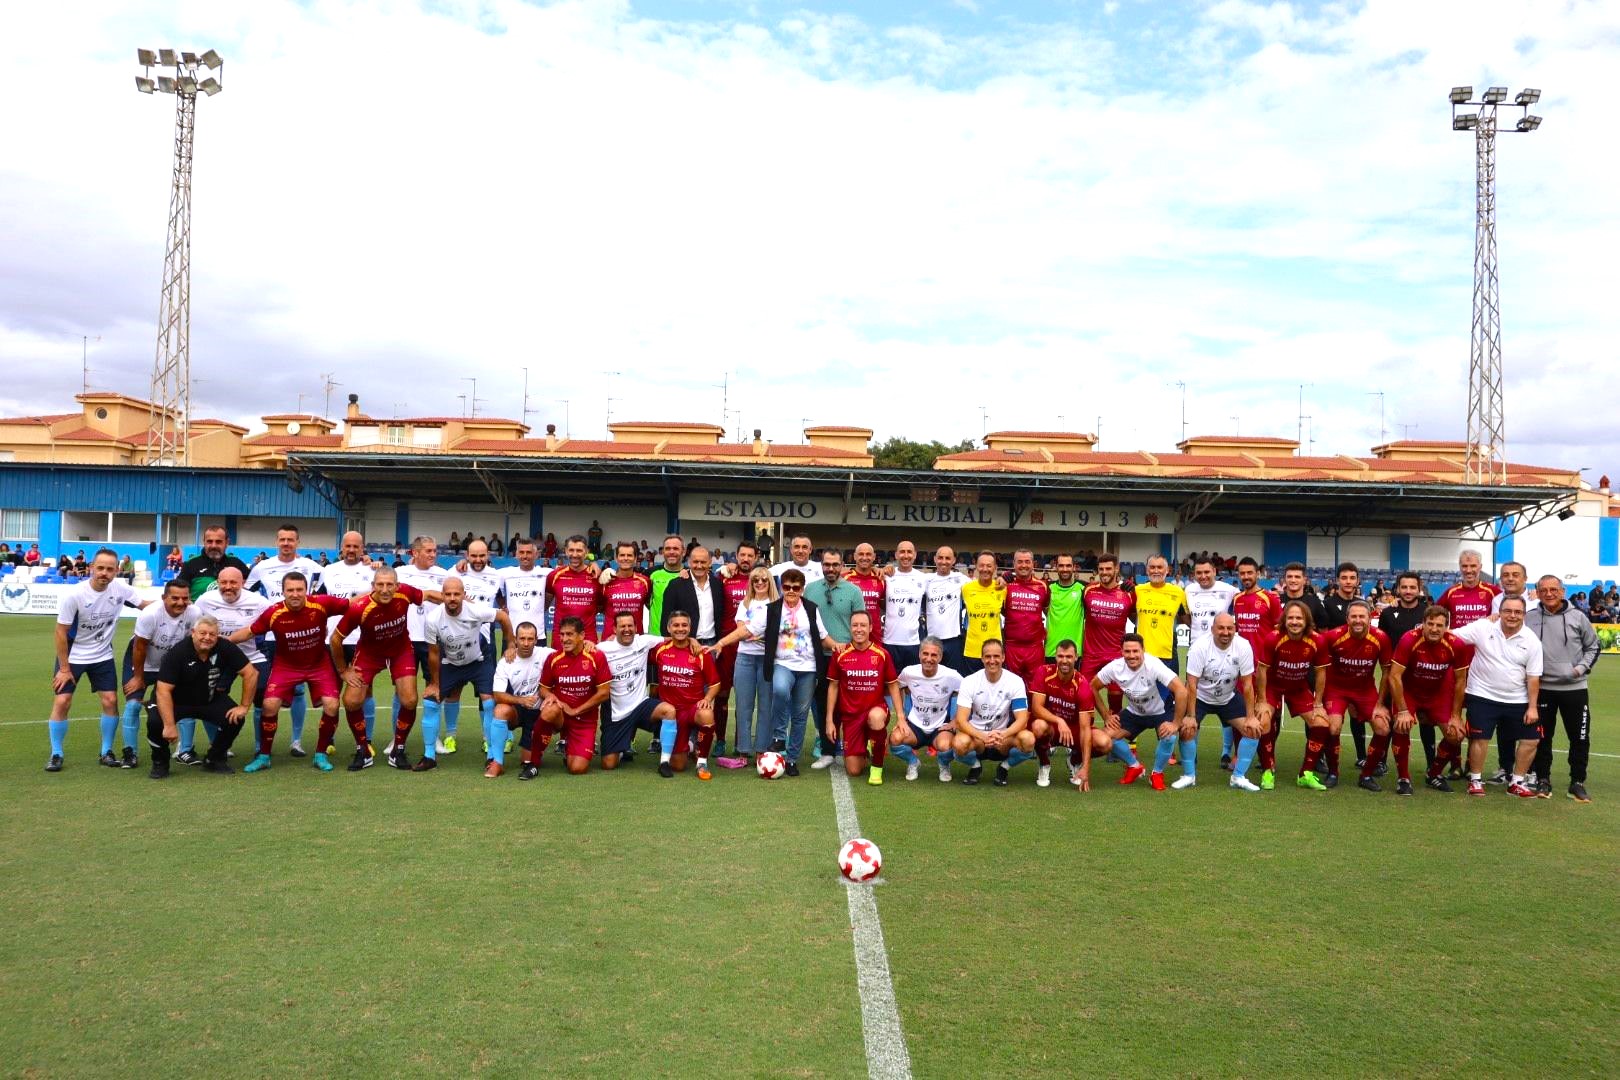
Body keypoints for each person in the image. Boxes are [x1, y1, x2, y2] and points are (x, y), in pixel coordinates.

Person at [230, 571, 349, 774]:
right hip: (286, 666)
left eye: (299, 589)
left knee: (332, 704)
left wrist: (377, 593)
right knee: (269, 705)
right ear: (283, 592)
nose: (295, 594)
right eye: (290, 590)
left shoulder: (320, 603)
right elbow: (250, 631)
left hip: (319, 664)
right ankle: (264, 756)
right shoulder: (274, 612)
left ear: (306, 591)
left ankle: (320, 754)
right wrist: (222, 642)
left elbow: (351, 604)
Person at [48, 548, 151, 771]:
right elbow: (60, 632)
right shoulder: (74, 594)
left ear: (116, 571)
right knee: (62, 702)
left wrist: (176, 603)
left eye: (110, 569)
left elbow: (145, 605)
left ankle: (106, 751)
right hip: (72, 657)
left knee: (110, 701)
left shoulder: (120, 589)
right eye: (100, 568)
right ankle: (56, 753)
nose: (104, 573)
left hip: (102, 655)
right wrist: (64, 668)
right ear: (92, 568)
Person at [331, 567, 443, 771]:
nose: (385, 589)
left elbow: (428, 595)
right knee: (351, 700)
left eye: (389, 584)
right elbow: (335, 639)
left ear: (397, 586)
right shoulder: (360, 608)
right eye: (380, 585)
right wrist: (343, 670)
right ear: (373, 586)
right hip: (369, 654)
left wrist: (457, 601)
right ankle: (363, 751)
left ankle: (398, 750)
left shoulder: (405, 593)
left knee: (409, 700)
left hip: (400, 651)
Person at [415, 577, 515, 775]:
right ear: (442, 596)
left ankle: (493, 756)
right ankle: (429, 757)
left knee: (489, 703)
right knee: (430, 702)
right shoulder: (433, 619)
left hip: (479, 661)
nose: (452, 598)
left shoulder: (476, 610)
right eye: (448, 594)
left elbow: (503, 617)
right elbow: (433, 653)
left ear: (463, 595)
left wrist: (510, 644)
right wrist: (434, 683)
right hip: (451, 663)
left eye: (456, 594)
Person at [1452, 595, 1543, 797]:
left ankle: (1517, 782)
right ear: (1499, 612)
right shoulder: (1483, 627)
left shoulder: (1532, 641)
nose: (1512, 616)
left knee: (1531, 740)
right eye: (1507, 611)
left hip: (1518, 699)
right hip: (1482, 694)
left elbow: (1533, 677)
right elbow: (1451, 637)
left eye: (1518, 612)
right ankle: (1475, 780)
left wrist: (1532, 707)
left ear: (1524, 614)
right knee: (1480, 738)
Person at [147, 616, 257, 778]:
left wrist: (244, 706)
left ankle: (214, 759)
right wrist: (169, 725)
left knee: (235, 717)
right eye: (202, 633)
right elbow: (163, 690)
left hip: (208, 698)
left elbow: (251, 673)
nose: (207, 638)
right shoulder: (178, 652)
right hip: (175, 702)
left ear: (217, 636)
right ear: (193, 633)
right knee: (156, 722)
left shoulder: (225, 647)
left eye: (212, 634)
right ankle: (160, 763)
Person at [1525, 576, 1597, 801]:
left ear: (1563, 591)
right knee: (1543, 737)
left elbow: (1593, 646)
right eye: (1543, 590)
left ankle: (1577, 781)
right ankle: (1543, 779)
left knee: (1580, 737)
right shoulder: (1529, 618)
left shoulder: (1578, 617)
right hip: (1543, 688)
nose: (1549, 594)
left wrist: (1579, 670)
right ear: (1537, 592)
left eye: (1553, 589)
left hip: (1574, 689)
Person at [1091, 633, 1193, 790]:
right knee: (1105, 737)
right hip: (1135, 712)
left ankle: (1157, 774)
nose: (1132, 655)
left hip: (1160, 711)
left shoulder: (1153, 665)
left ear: (1143, 650)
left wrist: (1175, 723)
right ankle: (1134, 766)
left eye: (1135, 651)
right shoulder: (1115, 667)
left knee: (1169, 737)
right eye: (1127, 651)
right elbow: (1093, 687)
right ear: (1121, 651)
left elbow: (1181, 690)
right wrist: (1105, 715)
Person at [760, 568, 836, 775]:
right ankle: (779, 737)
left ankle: (792, 759)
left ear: (802, 589)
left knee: (801, 715)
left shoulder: (811, 608)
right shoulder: (773, 609)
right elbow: (749, 629)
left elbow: (823, 636)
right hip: (783, 664)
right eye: (787, 587)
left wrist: (839, 646)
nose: (791, 591)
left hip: (809, 668)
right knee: (780, 691)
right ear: (781, 587)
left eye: (796, 587)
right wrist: (723, 641)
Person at [522, 616, 613, 780]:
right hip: (561, 715)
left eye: (569, 634)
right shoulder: (554, 658)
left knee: (577, 768)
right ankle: (533, 764)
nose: (564, 639)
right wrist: (550, 696)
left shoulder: (596, 657)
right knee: (549, 709)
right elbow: (543, 689)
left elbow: (604, 693)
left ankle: (569, 747)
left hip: (584, 720)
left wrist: (576, 710)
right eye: (562, 635)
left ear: (582, 635)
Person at [120, 580, 198, 768]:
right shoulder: (150, 614)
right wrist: (138, 678)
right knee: (132, 706)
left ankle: (185, 750)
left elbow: (192, 644)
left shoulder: (194, 613)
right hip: (142, 662)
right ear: (164, 598)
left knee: (185, 703)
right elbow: (139, 648)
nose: (180, 602)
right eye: (175, 598)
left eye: (185, 598)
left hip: (171, 664)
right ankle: (130, 752)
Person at [1316, 599, 1393, 789]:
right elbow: (1321, 669)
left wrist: (1380, 704)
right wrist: (1319, 699)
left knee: (1383, 728)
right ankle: (1333, 772)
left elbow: (1386, 672)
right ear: (1347, 618)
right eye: (1354, 617)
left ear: (1370, 617)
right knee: (1333, 728)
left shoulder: (1381, 638)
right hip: (1337, 689)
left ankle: (1366, 776)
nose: (1358, 620)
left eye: (1362, 616)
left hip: (1365, 690)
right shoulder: (1333, 637)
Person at [1254, 599, 1327, 791]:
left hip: (1298, 688)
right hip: (1272, 686)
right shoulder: (1273, 638)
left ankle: (1306, 774)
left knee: (1321, 723)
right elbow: (1261, 670)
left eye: (1299, 618)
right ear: (1284, 619)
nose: (1295, 622)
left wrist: (1318, 703)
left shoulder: (1317, 640)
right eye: (1291, 618)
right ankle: (1268, 771)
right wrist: (1261, 701)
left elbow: (1321, 672)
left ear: (1307, 620)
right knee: (1263, 720)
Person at [1184, 614, 1263, 791]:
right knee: (1187, 729)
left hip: (1228, 697)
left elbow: (1248, 684)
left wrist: (1250, 716)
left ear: (1235, 629)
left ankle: (1238, 776)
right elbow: (1191, 684)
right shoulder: (1199, 647)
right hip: (1201, 697)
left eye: (1230, 628)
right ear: (1212, 629)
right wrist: (1190, 716)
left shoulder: (1243, 645)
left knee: (1254, 729)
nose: (1225, 632)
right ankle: (1189, 775)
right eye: (1221, 628)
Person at [825, 612, 904, 786]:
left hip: (876, 710)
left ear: (870, 628)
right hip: (851, 717)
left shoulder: (882, 654)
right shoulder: (840, 654)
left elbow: (893, 685)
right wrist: (830, 720)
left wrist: (900, 717)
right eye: (855, 625)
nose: (858, 629)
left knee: (875, 718)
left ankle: (877, 768)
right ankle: (870, 746)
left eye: (862, 625)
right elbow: (833, 686)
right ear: (850, 628)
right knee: (854, 771)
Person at [802, 549, 863, 768]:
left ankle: (854, 747)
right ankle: (828, 751)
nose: (831, 568)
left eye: (835, 564)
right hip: (819, 656)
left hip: (847, 657)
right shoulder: (810, 590)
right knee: (822, 703)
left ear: (842, 565)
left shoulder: (853, 591)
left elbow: (860, 624)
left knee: (849, 705)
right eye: (827, 564)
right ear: (821, 565)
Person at [320, 531, 379, 739]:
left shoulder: (372, 570)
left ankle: (367, 738)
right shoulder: (328, 570)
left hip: (362, 641)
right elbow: (320, 603)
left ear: (362, 548)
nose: (352, 550)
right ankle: (329, 739)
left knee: (366, 691)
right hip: (333, 641)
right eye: (348, 546)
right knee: (332, 693)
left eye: (356, 546)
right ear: (342, 548)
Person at [950, 639, 1032, 786]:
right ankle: (975, 766)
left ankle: (1004, 767)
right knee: (958, 743)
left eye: (996, 656)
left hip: (1002, 738)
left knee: (1028, 740)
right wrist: (983, 736)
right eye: (987, 656)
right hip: (978, 737)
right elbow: (960, 720)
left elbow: (1022, 719)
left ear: (1003, 657)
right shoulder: (969, 681)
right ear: (982, 658)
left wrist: (1003, 734)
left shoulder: (1015, 681)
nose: (992, 661)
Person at [1029, 639, 1104, 790]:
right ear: (1055, 656)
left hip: (1073, 730)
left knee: (1104, 743)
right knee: (1038, 726)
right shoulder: (1043, 672)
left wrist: (1086, 769)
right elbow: (1036, 708)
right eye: (1060, 656)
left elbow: (1085, 728)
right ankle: (1044, 764)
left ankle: (1075, 761)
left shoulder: (1083, 686)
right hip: (1051, 727)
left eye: (1069, 657)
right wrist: (1059, 721)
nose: (1064, 660)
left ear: (1076, 657)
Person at [714, 544, 765, 767]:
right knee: (723, 694)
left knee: (753, 700)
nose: (745, 559)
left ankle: (742, 745)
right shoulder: (724, 577)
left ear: (757, 557)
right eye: (742, 555)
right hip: (729, 645)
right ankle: (721, 740)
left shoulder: (765, 579)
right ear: (736, 556)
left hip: (758, 648)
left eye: (750, 555)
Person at [596, 612, 663, 771]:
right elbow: (585, 652)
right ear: (614, 629)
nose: (627, 629)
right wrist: (586, 643)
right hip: (616, 714)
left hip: (641, 706)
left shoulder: (644, 641)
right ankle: (620, 749)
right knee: (608, 764)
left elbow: (671, 639)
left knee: (669, 711)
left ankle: (666, 760)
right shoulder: (603, 649)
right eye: (622, 626)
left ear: (636, 627)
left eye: (630, 626)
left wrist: (692, 640)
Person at [890, 637, 962, 783]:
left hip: (940, 727)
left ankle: (944, 764)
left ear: (940, 657)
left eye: (934, 655)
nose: (929, 658)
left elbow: (968, 693)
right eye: (925, 654)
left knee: (947, 746)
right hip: (915, 726)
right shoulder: (909, 672)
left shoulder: (951, 675)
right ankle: (912, 762)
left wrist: (956, 720)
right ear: (919, 654)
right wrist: (901, 717)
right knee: (895, 739)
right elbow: (895, 687)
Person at [490, 621, 554, 776]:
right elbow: (497, 695)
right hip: (519, 709)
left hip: (538, 711)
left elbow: (570, 651)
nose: (526, 643)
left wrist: (586, 643)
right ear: (515, 639)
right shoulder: (506, 661)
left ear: (536, 639)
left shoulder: (546, 653)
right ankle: (497, 762)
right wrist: (521, 701)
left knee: (527, 761)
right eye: (522, 638)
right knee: (500, 710)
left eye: (530, 639)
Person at [1079, 553, 1135, 710]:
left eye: (1108, 568)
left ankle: (1115, 732)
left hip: (1116, 656)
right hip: (1091, 656)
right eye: (1101, 569)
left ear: (1116, 569)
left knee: (1116, 701)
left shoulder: (1128, 593)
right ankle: (1087, 731)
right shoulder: (1088, 590)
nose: (1104, 572)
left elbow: (1137, 616)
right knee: (1085, 697)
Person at [1000, 548, 1049, 685]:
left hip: (1035, 647)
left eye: (1027, 562)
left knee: (1035, 688)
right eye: (1020, 562)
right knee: (1011, 687)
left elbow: (1046, 610)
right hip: (1012, 647)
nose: (1023, 565)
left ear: (1033, 564)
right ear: (1014, 564)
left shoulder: (1043, 586)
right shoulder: (1006, 585)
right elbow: (1002, 610)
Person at [881, 540, 929, 672]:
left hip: (913, 643)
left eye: (909, 552)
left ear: (915, 555)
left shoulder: (923, 578)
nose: (906, 555)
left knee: (911, 685)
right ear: (896, 555)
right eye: (902, 552)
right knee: (890, 684)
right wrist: (881, 569)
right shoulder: (886, 576)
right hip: (890, 641)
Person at [497, 537, 551, 649]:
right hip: (512, 636)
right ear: (516, 554)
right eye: (521, 552)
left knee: (539, 667)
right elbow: (483, 575)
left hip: (538, 636)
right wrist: (503, 606)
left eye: (529, 552)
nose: (525, 556)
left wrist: (593, 564)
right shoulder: (505, 573)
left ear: (536, 555)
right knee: (509, 665)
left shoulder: (547, 573)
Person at [960, 552, 1006, 678]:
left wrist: (1005, 577)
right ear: (976, 566)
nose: (985, 569)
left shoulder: (1002, 588)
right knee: (973, 691)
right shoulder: (966, 588)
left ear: (995, 568)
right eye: (981, 565)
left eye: (989, 566)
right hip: (972, 650)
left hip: (994, 651)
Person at [923, 545, 969, 671]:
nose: (944, 561)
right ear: (935, 559)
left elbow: (981, 585)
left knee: (953, 679)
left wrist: (1002, 579)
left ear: (954, 560)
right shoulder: (925, 579)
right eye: (940, 558)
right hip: (932, 640)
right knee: (931, 677)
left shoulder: (961, 579)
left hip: (953, 640)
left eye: (948, 558)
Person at [1437, 549, 1502, 628]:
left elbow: (1507, 612)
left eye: (1473, 566)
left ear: (1480, 567)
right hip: (1457, 639)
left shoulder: (1493, 591)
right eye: (1464, 566)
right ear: (1460, 567)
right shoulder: (1451, 592)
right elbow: (1434, 613)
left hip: (1483, 640)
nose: (1468, 570)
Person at [602, 541, 653, 633]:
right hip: (610, 639)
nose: (625, 558)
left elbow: (650, 605)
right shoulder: (605, 581)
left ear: (635, 558)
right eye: (622, 555)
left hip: (636, 640)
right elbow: (599, 607)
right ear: (616, 558)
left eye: (629, 555)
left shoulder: (645, 581)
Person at [1044, 553, 1085, 665]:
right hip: (1052, 651)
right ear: (1056, 567)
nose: (1065, 569)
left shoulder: (1083, 589)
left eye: (1068, 566)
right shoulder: (1048, 589)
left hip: (1074, 653)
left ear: (1074, 567)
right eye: (1061, 566)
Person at [844, 542, 887, 645]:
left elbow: (885, 605)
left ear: (874, 557)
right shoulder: (844, 579)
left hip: (875, 636)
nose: (864, 557)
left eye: (868, 554)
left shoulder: (881, 579)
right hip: (851, 635)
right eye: (861, 554)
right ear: (854, 556)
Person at [647, 535, 687, 639]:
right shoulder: (651, 573)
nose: (671, 552)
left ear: (684, 551)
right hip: (656, 638)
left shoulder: (691, 574)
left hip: (683, 639)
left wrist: (730, 567)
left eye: (676, 548)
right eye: (668, 548)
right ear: (663, 551)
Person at [1276, 562, 1326, 627]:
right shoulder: (1276, 601)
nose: (1293, 580)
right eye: (1289, 577)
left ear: (1304, 580)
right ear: (1285, 579)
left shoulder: (1315, 603)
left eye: (1297, 577)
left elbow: (1323, 631)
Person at [1319, 562, 1362, 631]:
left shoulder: (1363, 605)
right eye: (1344, 578)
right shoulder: (1326, 605)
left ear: (1357, 581)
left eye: (1352, 578)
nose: (1348, 581)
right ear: (1338, 580)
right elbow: (1323, 635)